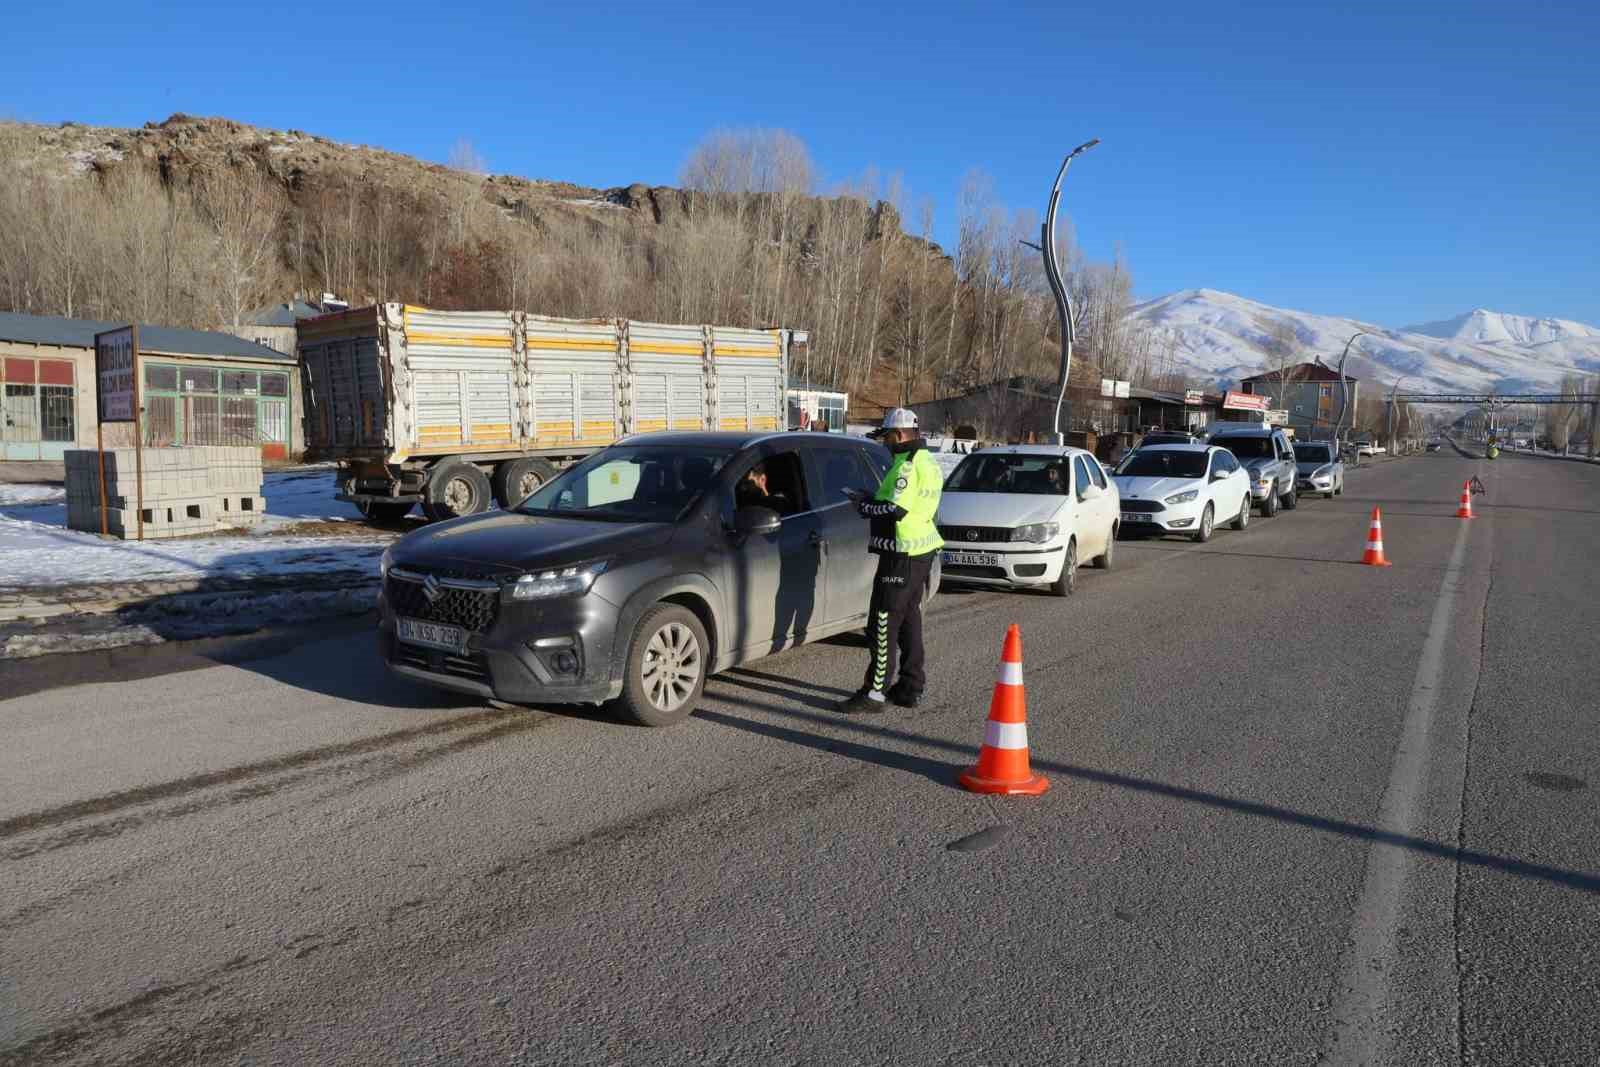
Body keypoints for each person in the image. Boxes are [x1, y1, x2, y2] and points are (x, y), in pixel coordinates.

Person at [836, 408, 944, 714]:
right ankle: (911, 687)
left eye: (886, 438)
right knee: (909, 619)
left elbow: (894, 510)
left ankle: (874, 693)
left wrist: (864, 504)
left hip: (901, 552)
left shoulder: (907, 467)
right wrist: (875, 499)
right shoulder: (929, 462)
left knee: (882, 622)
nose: (885, 443)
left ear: (898, 435)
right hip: (920, 550)